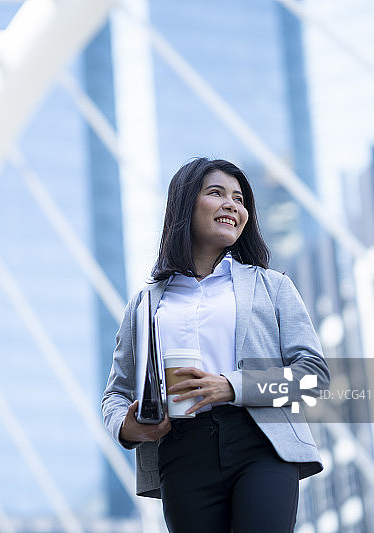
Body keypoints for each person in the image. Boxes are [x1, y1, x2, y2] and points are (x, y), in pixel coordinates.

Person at [102, 158, 330, 532]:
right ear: (185, 204)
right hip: (181, 451)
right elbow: (115, 394)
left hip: (261, 442)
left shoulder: (272, 287)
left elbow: (313, 379)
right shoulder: (144, 306)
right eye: (216, 193)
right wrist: (128, 427)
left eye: (239, 199)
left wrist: (231, 386)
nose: (232, 205)